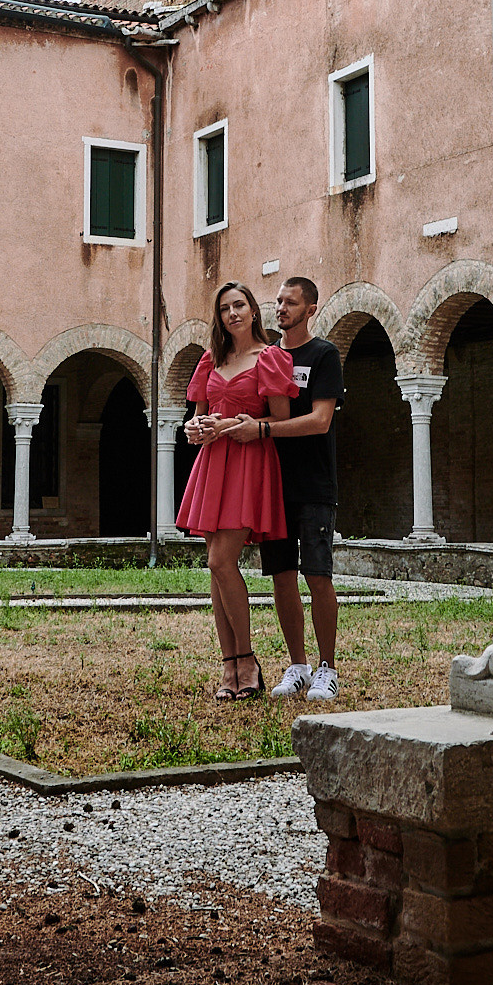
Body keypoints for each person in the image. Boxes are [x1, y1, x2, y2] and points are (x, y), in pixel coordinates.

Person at [215, 275, 343, 701]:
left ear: (311, 309)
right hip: (270, 484)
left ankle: (328, 667)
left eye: (290, 302)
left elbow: (320, 421)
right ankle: (299, 666)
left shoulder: (323, 355)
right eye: (278, 301)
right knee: (282, 577)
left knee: (318, 575)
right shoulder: (267, 356)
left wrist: (263, 430)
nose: (281, 308)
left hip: (313, 481)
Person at [176, 281, 292, 701]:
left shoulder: (271, 358)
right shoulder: (211, 359)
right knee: (215, 566)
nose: (233, 314)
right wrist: (194, 428)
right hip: (212, 465)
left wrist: (234, 425)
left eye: (239, 305)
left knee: (221, 559)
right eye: (225, 308)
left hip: (249, 462)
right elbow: (198, 415)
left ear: (253, 311)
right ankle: (230, 665)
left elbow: (279, 422)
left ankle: (246, 660)